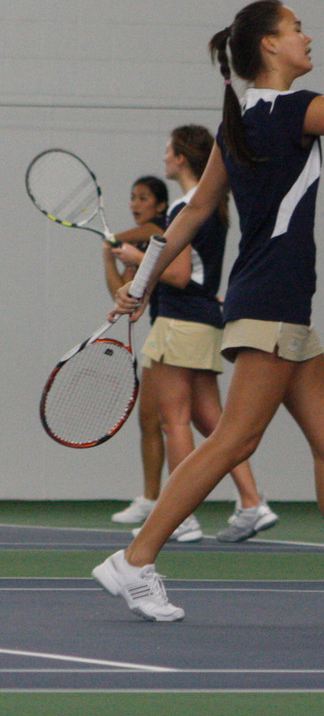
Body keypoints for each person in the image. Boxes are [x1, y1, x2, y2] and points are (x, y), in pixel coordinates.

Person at [92, 0, 324, 621]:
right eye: (295, 28)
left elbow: (195, 211)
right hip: (269, 306)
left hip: (277, 307)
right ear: (268, 46)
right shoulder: (290, 111)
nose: (306, 35)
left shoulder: (240, 123)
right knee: (233, 440)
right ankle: (136, 559)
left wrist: (140, 284)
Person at [118, 126, 278, 544]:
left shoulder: (185, 208)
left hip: (181, 323)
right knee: (216, 423)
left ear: (183, 159)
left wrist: (136, 257)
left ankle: (181, 517)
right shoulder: (212, 205)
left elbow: (179, 274)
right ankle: (252, 502)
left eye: (169, 150)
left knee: (174, 421)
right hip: (206, 319)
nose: (164, 156)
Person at [102, 176, 168, 524]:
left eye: (143, 198)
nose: (135, 203)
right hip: (163, 329)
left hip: (182, 328)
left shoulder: (163, 231)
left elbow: (149, 232)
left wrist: (113, 239)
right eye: (132, 197)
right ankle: (152, 499)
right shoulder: (137, 248)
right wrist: (106, 254)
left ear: (160, 206)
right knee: (150, 420)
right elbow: (122, 292)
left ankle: (247, 499)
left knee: (198, 423)